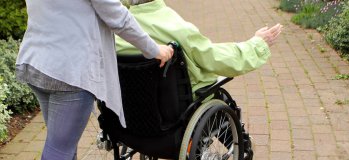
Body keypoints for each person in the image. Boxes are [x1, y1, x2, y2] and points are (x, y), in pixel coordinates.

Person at [15, 0, 173, 160]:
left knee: (61, 152)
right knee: (56, 157)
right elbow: (117, 16)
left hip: (38, 63)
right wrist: (154, 49)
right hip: (71, 71)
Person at [116, 0, 282, 93]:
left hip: (131, 112)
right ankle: (242, 146)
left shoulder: (116, 33)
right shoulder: (178, 29)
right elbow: (217, 58)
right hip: (173, 108)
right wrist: (256, 44)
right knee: (217, 96)